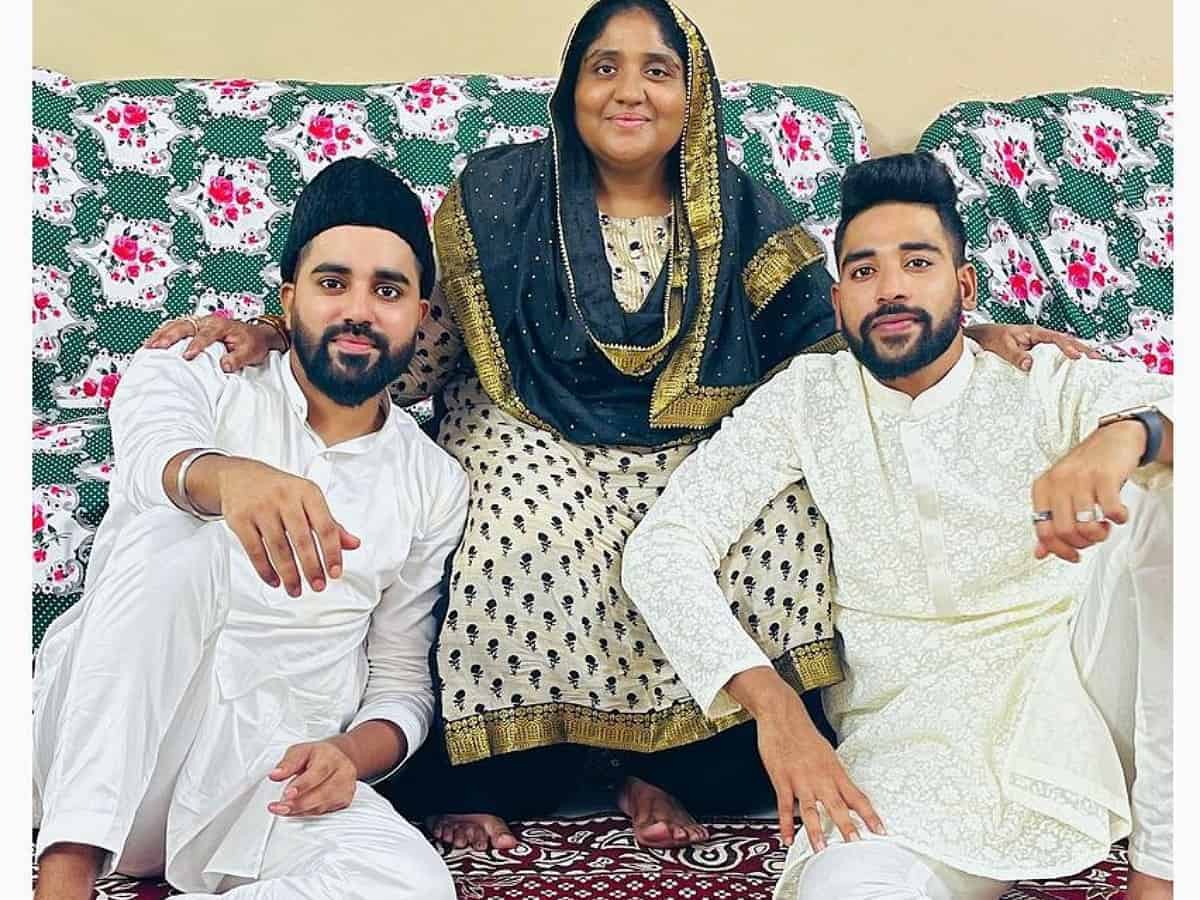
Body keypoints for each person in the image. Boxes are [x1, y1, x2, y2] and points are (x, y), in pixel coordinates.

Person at [144, 0, 1097, 852]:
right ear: (570, 91)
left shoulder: (740, 209)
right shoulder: (497, 197)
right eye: (604, 67)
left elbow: (833, 330)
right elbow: (408, 327)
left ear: (693, 94)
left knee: (782, 528)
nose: (630, 90)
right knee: (519, 529)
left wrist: (969, 331)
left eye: (657, 70)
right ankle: (496, 783)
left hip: (695, 439)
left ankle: (673, 771)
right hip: (523, 423)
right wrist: (280, 332)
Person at [622, 152, 1173, 900]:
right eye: (864, 270)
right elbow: (664, 546)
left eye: (918, 263)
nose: (891, 289)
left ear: (965, 286)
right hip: (908, 752)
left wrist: (1130, 434)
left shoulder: (1041, 381)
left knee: (1173, 489)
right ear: (839, 301)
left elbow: (1169, 406)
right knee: (844, 889)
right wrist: (776, 710)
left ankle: (1163, 873)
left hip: (1082, 692)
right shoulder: (806, 400)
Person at [33, 158, 468, 900]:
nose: (359, 310)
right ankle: (66, 875)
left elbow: (401, 679)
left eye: (388, 290)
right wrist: (227, 479)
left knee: (410, 885)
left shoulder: (433, 480)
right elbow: (152, 459)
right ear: (289, 299)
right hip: (104, 755)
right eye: (333, 283)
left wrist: (348, 755)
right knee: (179, 536)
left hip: (262, 781)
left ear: (420, 315)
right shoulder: (199, 368)